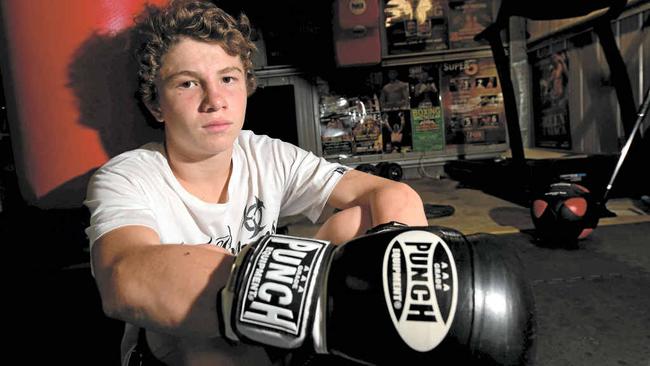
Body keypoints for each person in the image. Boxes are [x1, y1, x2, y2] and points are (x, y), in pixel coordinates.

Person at [83, 1, 428, 365]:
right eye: (187, 83)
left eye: (227, 79)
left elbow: (392, 193)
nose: (215, 101)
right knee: (206, 349)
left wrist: (402, 280)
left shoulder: (265, 155)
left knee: (361, 224)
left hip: (271, 334)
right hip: (174, 351)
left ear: (245, 85)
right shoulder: (127, 176)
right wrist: (303, 300)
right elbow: (124, 278)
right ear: (156, 105)